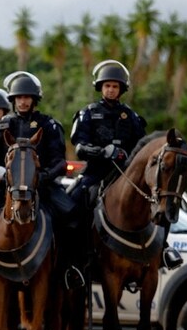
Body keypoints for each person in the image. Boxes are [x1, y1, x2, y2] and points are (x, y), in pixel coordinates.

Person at [70, 59, 181, 269]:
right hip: (97, 171)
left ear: (121, 89)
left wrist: (125, 155)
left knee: (161, 201)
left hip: (128, 173)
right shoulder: (88, 113)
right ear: (100, 87)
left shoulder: (131, 117)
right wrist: (103, 152)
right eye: (107, 86)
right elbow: (80, 147)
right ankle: (76, 257)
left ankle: (164, 249)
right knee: (73, 202)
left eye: (115, 86)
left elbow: (144, 149)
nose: (111, 90)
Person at [0, 71, 79, 285]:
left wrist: (41, 178)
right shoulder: (2, 125)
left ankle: (67, 270)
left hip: (42, 187)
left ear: (34, 100)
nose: (23, 101)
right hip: (4, 188)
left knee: (71, 214)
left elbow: (60, 161)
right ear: (13, 100)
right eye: (19, 98)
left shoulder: (48, 125)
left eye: (27, 97)